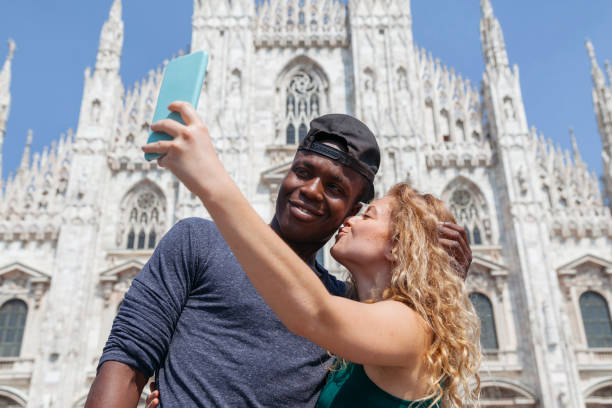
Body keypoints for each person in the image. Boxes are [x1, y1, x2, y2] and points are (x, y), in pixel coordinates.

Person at [85, 104, 472, 407]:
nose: (311, 190)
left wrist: (210, 178)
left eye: (336, 188)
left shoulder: (347, 308)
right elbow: (127, 354)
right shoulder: (197, 241)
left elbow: (317, 312)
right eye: (302, 171)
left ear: (352, 212)